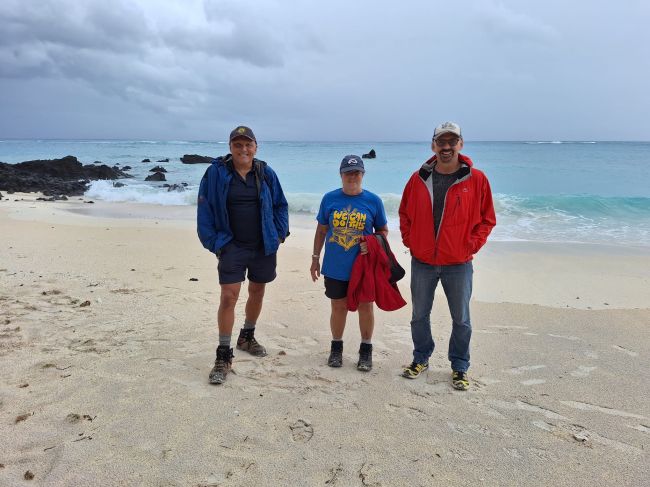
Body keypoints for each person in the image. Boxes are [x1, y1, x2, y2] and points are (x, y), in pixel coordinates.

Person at [398, 122, 496, 390]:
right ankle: (421, 358)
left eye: (452, 141)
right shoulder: (418, 178)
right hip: (423, 262)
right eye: (441, 142)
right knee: (419, 315)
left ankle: (460, 367)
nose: (446, 147)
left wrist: (470, 246)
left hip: (458, 263)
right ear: (433, 146)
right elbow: (404, 213)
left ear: (460, 145)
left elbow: (488, 219)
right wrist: (412, 242)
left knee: (461, 318)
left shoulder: (477, 180)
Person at [197, 125, 289, 385]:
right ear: (230, 148)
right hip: (231, 245)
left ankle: (247, 336)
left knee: (257, 291)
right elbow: (204, 208)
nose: (243, 149)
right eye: (238, 145)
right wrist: (216, 243)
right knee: (228, 297)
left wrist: (279, 234)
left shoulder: (265, 172)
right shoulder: (216, 173)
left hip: (263, 245)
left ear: (256, 147)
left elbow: (281, 205)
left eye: (248, 144)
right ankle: (223, 355)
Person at [310, 155, 388, 372]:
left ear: (362, 174)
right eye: (348, 172)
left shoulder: (373, 201)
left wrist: (372, 243)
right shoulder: (329, 199)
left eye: (356, 172)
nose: (352, 176)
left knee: (366, 305)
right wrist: (315, 258)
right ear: (341, 174)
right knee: (338, 306)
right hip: (335, 265)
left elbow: (383, 231)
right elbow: (321, 230)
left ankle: (366, 350)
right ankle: (336, 348)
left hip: (363, 267)